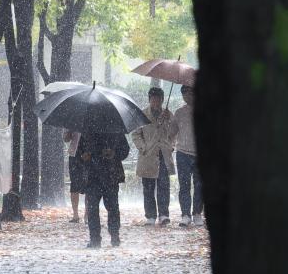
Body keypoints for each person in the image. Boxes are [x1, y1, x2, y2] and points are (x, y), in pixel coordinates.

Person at [132, 87, 176, 226]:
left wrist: (168, 122)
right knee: (148, 187)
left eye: (158, 99)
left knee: (164, 185)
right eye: (153, 99)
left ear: (162, 100)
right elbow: (136, 134)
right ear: (149, 100)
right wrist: (143, 148)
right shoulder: (142, 115)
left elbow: (174, 133)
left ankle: (163, 214)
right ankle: (150, 215)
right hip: (147, 155)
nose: (155, 102)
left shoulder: (168, 115)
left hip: (163, 154)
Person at [82, 132, 130, 248]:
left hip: (110, 175)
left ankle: (114, 235)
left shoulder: (115, 131)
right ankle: (95, 238)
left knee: (112, 206)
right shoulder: (87, 131)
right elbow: (80, 152)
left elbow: (124, 150)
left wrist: (114, 153)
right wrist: (85, 156)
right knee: (93, 208)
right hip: (93, 176)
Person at [171, 85, 204, 227]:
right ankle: (185, 214)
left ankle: (197, 213)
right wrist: (165, 120)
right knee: (184, 185)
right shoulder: (178, 113)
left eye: (189, 93)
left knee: (199, 185)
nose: (186, 96)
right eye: (184, 94)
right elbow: (171, 133)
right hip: (182, 153)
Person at [64, 130, 87, 223]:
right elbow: (65, 139)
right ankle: (75, 215)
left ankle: (87, 214)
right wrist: (68, 133)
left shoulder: (93, 118)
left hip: (89, 154)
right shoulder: (73, 120)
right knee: (74, 185)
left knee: (89, 185)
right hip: (74, 155)